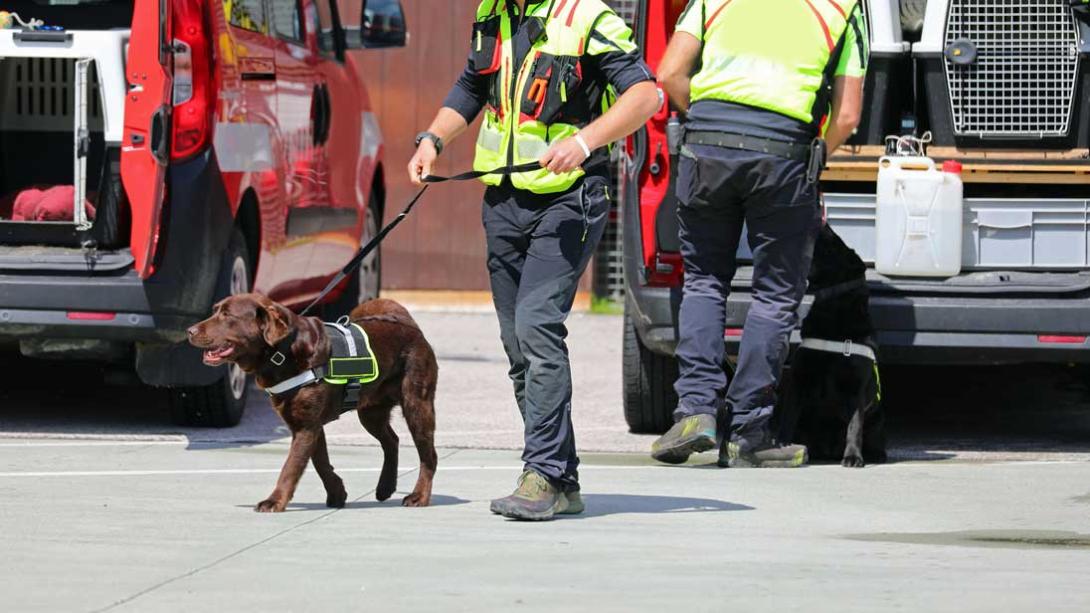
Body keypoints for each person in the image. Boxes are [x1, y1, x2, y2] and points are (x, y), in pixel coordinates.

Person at [408, 0, 658, 520]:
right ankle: (560, 479)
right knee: (517, 345)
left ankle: (541, 472)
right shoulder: (491, 13)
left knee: (537, 327)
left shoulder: (588, 16)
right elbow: (474, 84)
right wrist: (433, 138)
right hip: (504, 198)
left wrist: (585, 141)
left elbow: (646, 94)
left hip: (570, 198)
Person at [650, 0, 867, 467]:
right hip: (784, 155)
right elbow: (848, 115)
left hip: (706, 150)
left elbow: (669, 73)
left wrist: (709, 123)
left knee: (704, 281)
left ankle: (696, 412)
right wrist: (815, 156)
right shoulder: (842, 8)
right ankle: (749, 429)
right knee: (774, 294)